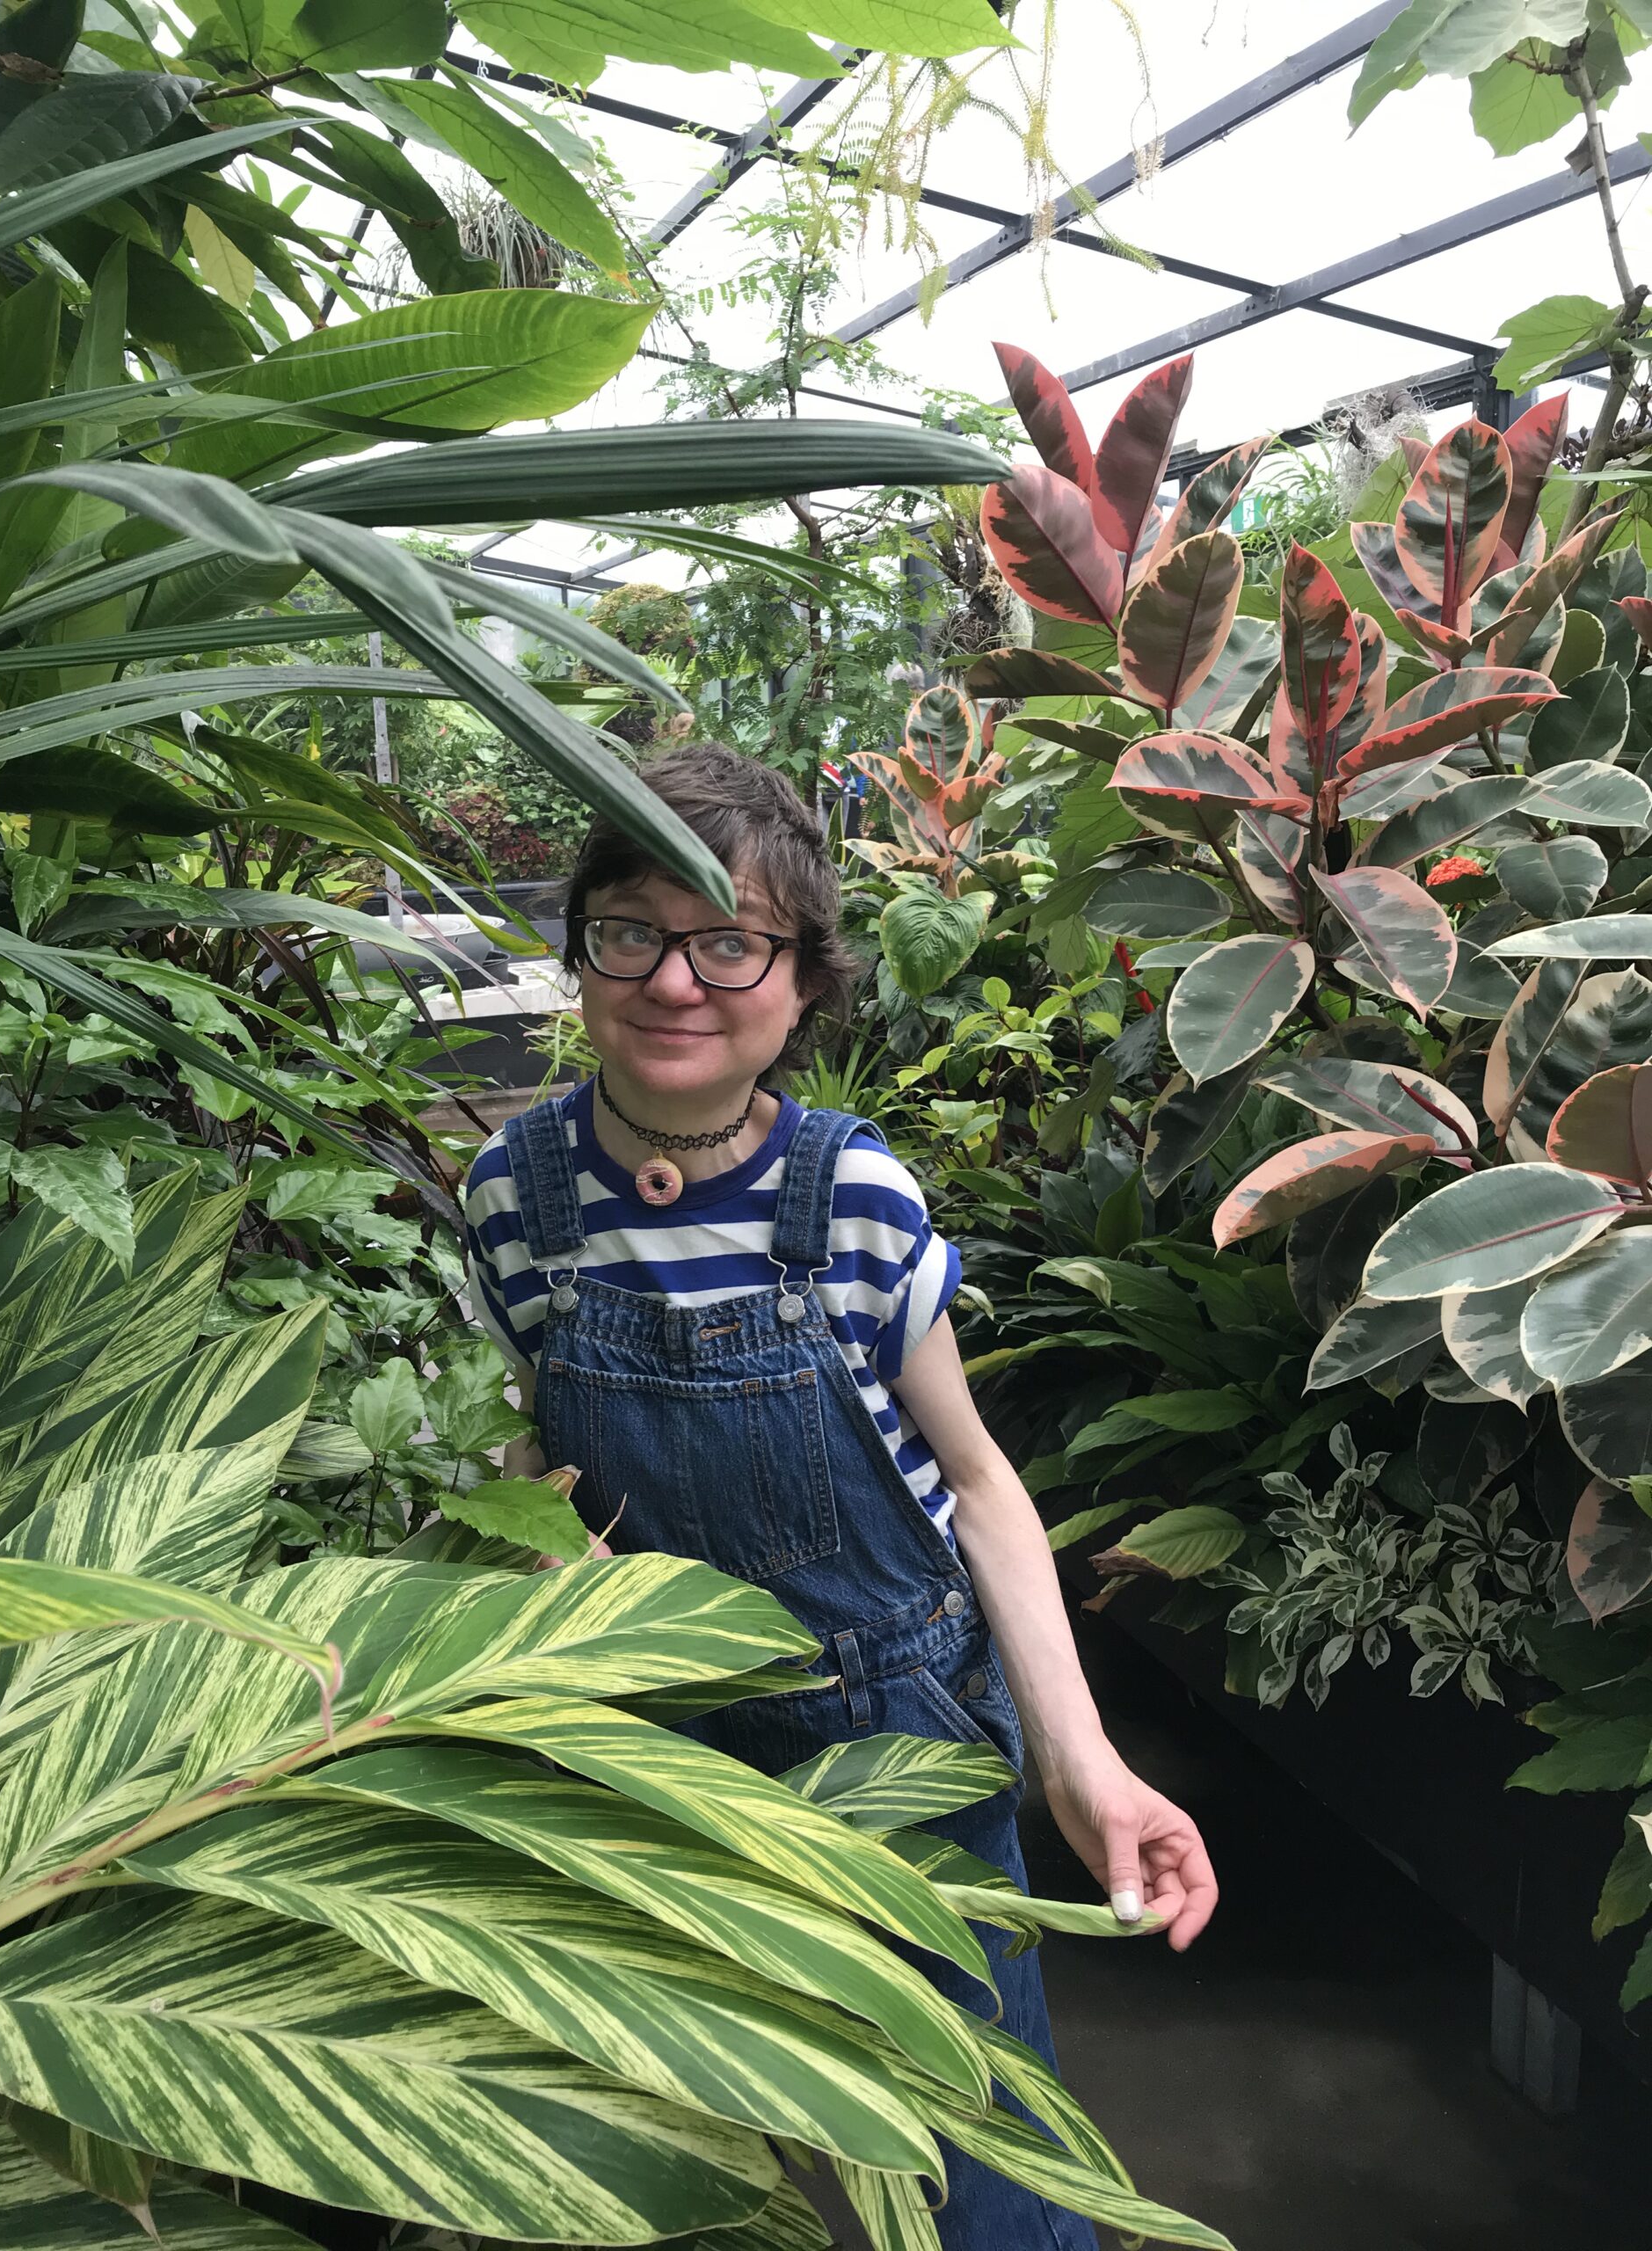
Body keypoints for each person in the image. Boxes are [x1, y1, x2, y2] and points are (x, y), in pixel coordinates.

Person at [463, 742, 1217, 2247]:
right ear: (583, 955)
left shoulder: (854, 1199)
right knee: (679, 2154)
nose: (676, 982)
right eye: (631, 929)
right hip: (650, 1750)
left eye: (730, 940)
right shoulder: (515, 1194)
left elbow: (981, 1482)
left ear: (802, 982)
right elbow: (523, 1460)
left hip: (892, 1727)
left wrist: (1080, 1766)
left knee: (973, 2148)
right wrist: (532, 1603)